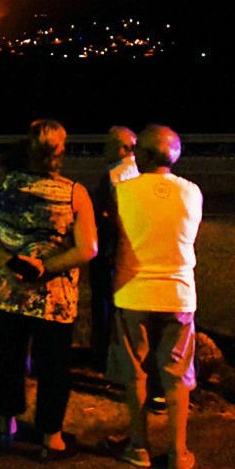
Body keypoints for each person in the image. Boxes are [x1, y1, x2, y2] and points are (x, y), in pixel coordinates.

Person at [0, 119, 97, 461]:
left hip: (7, 291)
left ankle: (5, 423)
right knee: (53, 367)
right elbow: (88, 249)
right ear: (60, 152)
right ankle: (50, 437)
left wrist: (7, 259)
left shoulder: (1, 184)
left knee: (8, 359)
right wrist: (46, 267)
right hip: (54, 299)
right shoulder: (75, 193)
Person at [110, 125, 201, 469]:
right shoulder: (192, 192)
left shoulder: (123, 191)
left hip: (133, 291)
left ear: (143, 155)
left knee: (137, 374)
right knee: (177, 376)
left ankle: (139, 446)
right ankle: (178, 454)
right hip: (179, 292)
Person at [90, 125, 138, 370]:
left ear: (122, 148)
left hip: (109, 251)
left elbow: (114, 218)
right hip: (127, 253)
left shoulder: (116, 175)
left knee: (104, 305)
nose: (104, 149)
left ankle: (102, 357)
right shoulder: (137, 172)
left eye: (109, 144)